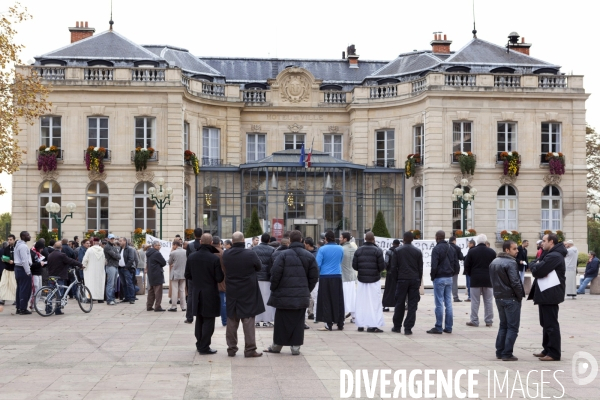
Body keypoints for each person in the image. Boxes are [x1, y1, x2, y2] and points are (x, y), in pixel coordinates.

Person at [265, 230, 319, 355]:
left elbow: (275, 275)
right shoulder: (309, 256)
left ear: (289, 240)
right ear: (301, 240)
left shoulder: (282, 255)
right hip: (300, 295)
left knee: (281, 322)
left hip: (283, 295)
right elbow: (314, 277)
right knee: (298, 322)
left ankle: (277, 346)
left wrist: (274, 288)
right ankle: (295, 347)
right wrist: (306, 289)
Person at [222, 232, 264, 358]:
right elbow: (259, 267)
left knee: (232, 319)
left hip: (232, 290)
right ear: (243, 240)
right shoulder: (250, 253)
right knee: (248, 319)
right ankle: (250, 349)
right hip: (248, 290)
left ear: (232, 242)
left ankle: (231, 348)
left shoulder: (226, 254)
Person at [528, 233, 567, 361]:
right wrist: (536, 264)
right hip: (545, 293)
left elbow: (538, 271)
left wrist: (536, 266)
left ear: (551, 242)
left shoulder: (554, 256)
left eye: (544, 241)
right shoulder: (548, 254)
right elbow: (534, 264)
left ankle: (554, 353)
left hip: (550, 293)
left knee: (551, 324)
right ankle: (547, 349)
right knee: (545, 323)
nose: (541, 243)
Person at [185, 233, 224, 355]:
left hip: (197, 292)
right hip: (210, 293)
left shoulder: (192, 257)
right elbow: (219, 278)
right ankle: (204, 346)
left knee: (200, 319)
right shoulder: (214, 258)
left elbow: (187, 275)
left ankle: (199, 343)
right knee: (208, 320)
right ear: (211, 243)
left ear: (200, 242)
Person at [490, 240, 525, 361]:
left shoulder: (494, 261)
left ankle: (500, 351)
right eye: (514, 249)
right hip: (510, 298)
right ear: (507, 250)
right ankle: (507, 353)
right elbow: (515, 282)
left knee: (503, 325)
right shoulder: (511, 263)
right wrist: (520, 295)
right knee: (512, 327)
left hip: (499, 297)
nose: (517, 251)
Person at [352, 232, 385, 332]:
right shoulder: (378, 250)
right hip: (374, 279)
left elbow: (354, 266)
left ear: (365, 239)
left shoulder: (359, 250)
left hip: (362, 280)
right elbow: (382, 266)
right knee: (374, 303)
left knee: (362, 302)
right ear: (373, 239)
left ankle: (360, 324)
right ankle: (372, 325)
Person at [392, 231, 423, 335]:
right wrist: (418, 280)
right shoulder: (417, 251)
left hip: (402, 279)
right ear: (413, 239)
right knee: (412, 304)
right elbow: (420, 268)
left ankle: (397, 326)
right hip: (414, 279)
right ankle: (408, 327)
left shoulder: (397, 251)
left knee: (399, 303)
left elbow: (393, 267)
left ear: (403, 239)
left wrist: (396, 279)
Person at [427, 230, 458, 334]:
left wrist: (433, 277)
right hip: (449, 277)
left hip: (439, 277)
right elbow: (455, 263)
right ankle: (449, 327)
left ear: (437, 237)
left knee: (439, 303)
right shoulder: (451, 248)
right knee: (448, 303)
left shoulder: (436, 249)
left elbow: (434, 265)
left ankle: (439, 326)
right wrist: (452, 273)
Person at [464, 234, 497, 328]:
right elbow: (495, 265)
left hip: (475, 278)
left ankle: (474, 320)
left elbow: (467, 265)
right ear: (486, 241)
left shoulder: (472, 251)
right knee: (488, 301)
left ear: (477, 241)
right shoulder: (491, 252)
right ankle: (489, 320)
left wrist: (471, 274)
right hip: (488, 278)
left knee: (475, 301)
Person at [315, 230, 345, 331]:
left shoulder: (322, 249)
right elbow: (340, 261)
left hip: (325, 276)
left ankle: (328, 323)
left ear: (326, 239)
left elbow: (318, 264)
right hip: (337, 275)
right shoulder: (341, 248)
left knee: (326, 300)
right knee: (338, 300)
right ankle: (340, 322)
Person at [47, 241, 83, 315]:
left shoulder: (50, 255)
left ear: (54, 247)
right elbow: (70, 261)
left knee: (51, 292)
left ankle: (48, 309)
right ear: (61, 248)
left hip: (51, 276)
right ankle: (57, 310)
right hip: (59, 276)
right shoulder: (62, 255)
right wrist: (80, 265)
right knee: (59, 293)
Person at [252, 233, 275, 328]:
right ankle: (267, 320)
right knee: (267, 299)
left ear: (261, 239)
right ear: (269, 240)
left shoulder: (254, 249)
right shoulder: (272, 250)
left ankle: (256, 320)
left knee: (257, 299)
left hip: (256, 277)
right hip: (267, 277)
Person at [185, 228, 203, 323]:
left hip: (192, 273)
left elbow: (188, 259)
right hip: (203, 274)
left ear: (194, 235)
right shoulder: (204, 245)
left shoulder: (190, 245)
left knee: (191, 295)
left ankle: (189, 317)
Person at [81, 238, 106, 302]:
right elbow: (105, 261)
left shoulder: (89, 250)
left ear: (93, 242)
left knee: (90, 284)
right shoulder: (103, 250)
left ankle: (89, 298)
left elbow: (85, 260)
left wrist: (83, 266)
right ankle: (100, 299)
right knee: (100, 284)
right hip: (100, 270)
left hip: (90, 270)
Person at [14, 231, 33, 315]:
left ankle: (19, 307)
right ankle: (23, 308)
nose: (30, 236)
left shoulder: (18, 245)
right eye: (28, 235)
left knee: (20, 289)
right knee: (25, 290)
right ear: (23, 236)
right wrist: (28, 271)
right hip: (23, 269)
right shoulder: (23, 246)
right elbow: (24, 260)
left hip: (18, 268)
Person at [340, 232, 357, 322]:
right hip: (352, 276)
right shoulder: (354, 248)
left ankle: (341, 316)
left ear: (345, 239)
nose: (339, 238)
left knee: (343, 297)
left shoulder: (341, 249)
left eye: (341, 237)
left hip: (344, 277)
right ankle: (354, 317)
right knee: (352, 297)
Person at [211, 236, 227, 326]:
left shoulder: (208, 252)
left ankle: (209, 321)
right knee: (223, 302)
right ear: (220, 243)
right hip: (221, 280)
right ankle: (224, 321)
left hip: (209, 281)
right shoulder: (223, 253)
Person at [168, 240, 187, 311]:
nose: (173, 247)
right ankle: (183, 306)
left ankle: (174, 306)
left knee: (175, 290)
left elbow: (169, 262)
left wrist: (173, 264)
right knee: (182, 290)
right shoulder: (186, 252)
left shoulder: (173, 253)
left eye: (173, 245)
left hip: (175, 273)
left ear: (175, 245)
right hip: (183, 273)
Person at [382, 239, 400, 311]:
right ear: (398, 244)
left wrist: (385, 269)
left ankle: (386, 305)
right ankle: (397, 305)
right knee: (397, 289)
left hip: (390, 273)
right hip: (398, 273)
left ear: (393, 244)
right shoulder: (400, 251)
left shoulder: (388, 252)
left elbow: (386, 262)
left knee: (388, 289)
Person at [103, 234, 121, 305]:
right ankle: (109, 299)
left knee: (114, 284)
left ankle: (112, 298)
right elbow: (116, 256)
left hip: (114, 266)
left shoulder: (113, 246)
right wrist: (117, 254)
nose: (112, 240)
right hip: (111, 266)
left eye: (113, 238)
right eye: (111, 238)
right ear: (108, 239)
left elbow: (117, 255)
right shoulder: (107, 247)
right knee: (110, 284)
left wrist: (117, 254)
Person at [118, 237, 136, 304]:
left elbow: (131, 259)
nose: (119, 242)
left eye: (121, 241)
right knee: (124, 284)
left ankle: (132, 298)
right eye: (119, 241)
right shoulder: (120, 249)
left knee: (129, 283)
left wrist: (126, 267)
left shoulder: (129, 249)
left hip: (127, 269)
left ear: (125, 241)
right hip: (120, 268)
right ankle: (126, 297)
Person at [0, 234, 17, 306]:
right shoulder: (6, 249)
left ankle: (16, 299)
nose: (9, 241)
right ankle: (2, 299)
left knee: (14, 285)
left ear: (14, 240)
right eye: (8, 240)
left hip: (14, 270)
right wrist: (4, 260)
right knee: (3, 284)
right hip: (7, 269)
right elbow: (3, 257)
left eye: (10, 240)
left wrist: (13, 261)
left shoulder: (17, 248)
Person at [304, 237, 318, 320]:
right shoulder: (304, 252)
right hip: (305, 277)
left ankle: (314, 313)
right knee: (308, 297)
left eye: (304, 243)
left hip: (313, 278)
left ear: (308, 245)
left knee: (314, 296)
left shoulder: (317, 253)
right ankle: (309, 313)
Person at [449, 236, 464, 302]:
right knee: (454, 282)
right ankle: (455, 297)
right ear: (454, 241)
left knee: (447, 283)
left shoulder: (446, 247)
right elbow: (461, 257)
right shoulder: (457, 248)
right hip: (455, 267)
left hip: (447, 267)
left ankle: (446, 297)